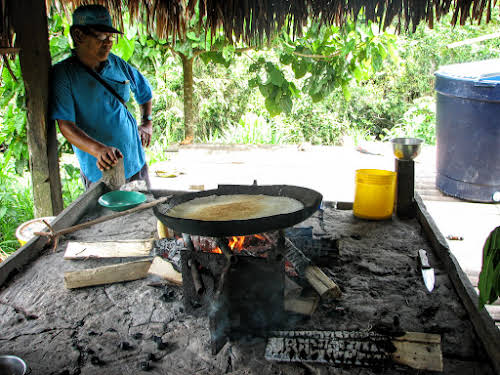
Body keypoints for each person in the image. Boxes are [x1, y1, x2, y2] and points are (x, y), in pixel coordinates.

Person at [50, 4, 153, 190]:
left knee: (143, 215)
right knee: (108, 217)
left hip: (135, 162)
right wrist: (98, 150)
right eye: (101, 37)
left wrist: (147, 121)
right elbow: (66, 125)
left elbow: (144, 91)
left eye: (110, 37)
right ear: (78, 35)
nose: (108, 43)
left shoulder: (116, 63)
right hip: (102, 172)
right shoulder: (64, 75)